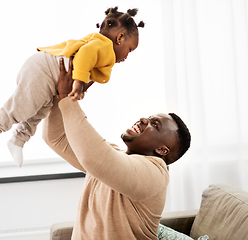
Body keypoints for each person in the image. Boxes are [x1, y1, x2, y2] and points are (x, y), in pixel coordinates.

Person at [42, 57, 191, 240]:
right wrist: (61, 95)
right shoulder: (115, 156)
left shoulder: (156, 174)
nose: (144, 119)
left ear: (162, 150)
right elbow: (57, 138)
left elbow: (94, 157)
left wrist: (68, 99)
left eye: (155, 124)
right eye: (149, 117)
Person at [0, 7, 145, 167]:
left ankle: (18, 141)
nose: (127, 56)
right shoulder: (104, 46)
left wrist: (81, 86)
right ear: (120, 38)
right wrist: (78, 83)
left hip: (50, 77)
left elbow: (88, 67)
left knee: (39, 112)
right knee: (22, 107)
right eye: (130, 50)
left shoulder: (101, 48)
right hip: (44, 70)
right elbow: (84, 56)